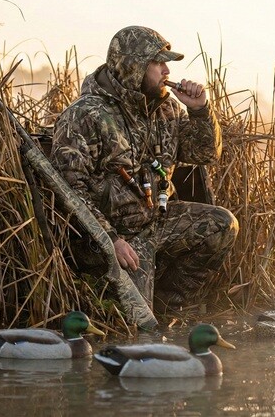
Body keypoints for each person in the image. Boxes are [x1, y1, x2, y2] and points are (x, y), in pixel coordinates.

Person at [51, 25, 239, 311]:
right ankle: (126, 301)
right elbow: (69, 189)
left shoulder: (167, 110)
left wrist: (200, 110)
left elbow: (205, 153)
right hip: (113, 238)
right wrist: (110, 238)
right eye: (158, 63)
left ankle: (170, 305)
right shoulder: (85, 114)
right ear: (133, 66)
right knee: (138, 325)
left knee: (222, 225)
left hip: (156, 223)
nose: (167, 71)